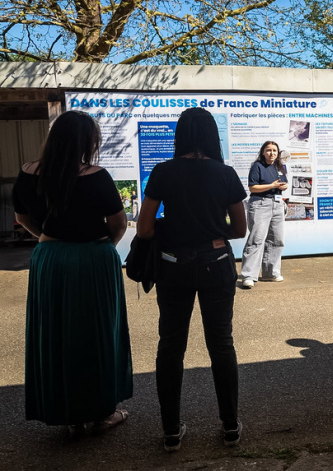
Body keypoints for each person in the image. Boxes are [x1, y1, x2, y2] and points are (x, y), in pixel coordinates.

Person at [12, 110, 132, 436]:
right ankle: (102, 413)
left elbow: (22, 218)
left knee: (56, 332)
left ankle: (67, 413)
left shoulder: (28, 172)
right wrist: (103, 247)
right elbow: (119, 224)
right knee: (97, 333)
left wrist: (48, 236)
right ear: (86, 142)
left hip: (49, 258)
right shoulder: (96, 176)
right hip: (93, 258)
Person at [137, 108, 248, 452]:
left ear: (180, 135)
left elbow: (144, 229)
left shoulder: (163, 171)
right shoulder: (225, 173)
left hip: (174, 266)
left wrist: (174, 228)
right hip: (216, 262)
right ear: (212, 136)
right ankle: (230, 427)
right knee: (221, 343)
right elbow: (240, 229)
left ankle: (171, 432)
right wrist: (213, 229)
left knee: (171, 346)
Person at [240, 141, 289, 288]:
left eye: (274, 150)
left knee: (277, 239)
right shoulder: (257, 166)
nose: (272, 153)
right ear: (263, 152)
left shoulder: (279, 167)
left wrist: (284, 186)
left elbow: (284, 183)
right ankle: (248, 276)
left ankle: (270, 273)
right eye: (268, 150)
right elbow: (253, 187)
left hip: (277, 204)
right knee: (256, 240)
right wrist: (272, 185)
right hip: (260, 204)